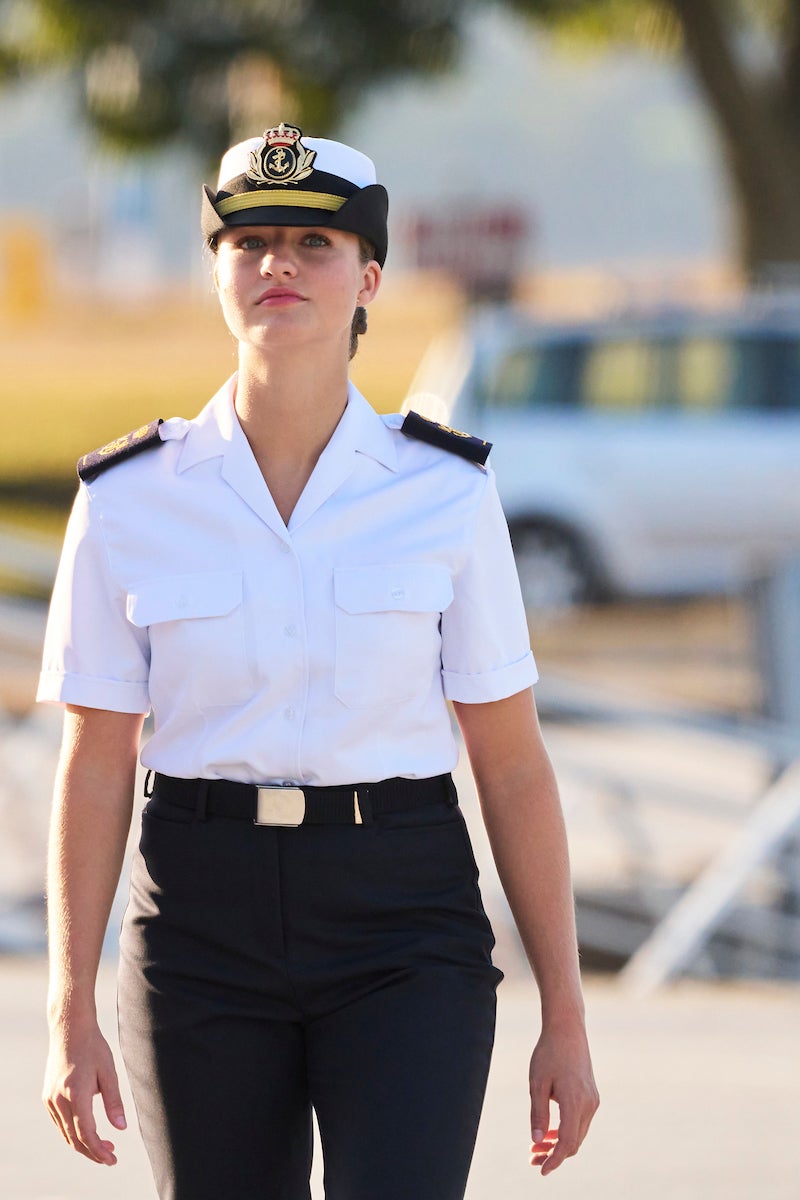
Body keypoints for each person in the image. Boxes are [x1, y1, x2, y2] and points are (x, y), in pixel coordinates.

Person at [39, 122, 598, 1200]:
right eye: (249, 242)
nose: (278, 264)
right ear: (215, 273)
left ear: (369, 277)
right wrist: (67, 1011)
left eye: (313, 241)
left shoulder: (445, 492)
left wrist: (564, 1018)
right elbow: (95, 761)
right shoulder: (127, 499)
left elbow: (512, 762)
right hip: (199, 921)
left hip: (402, 916)